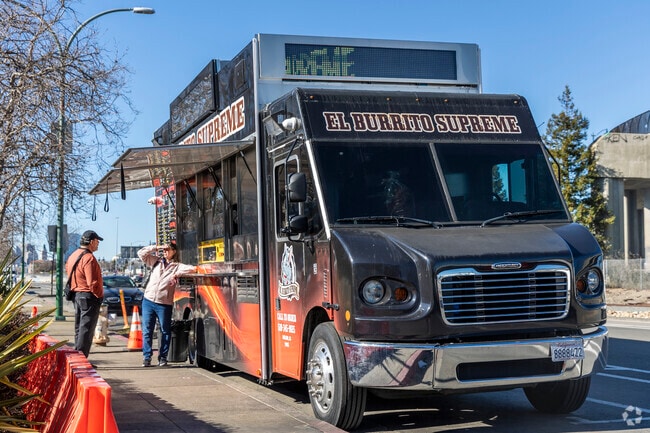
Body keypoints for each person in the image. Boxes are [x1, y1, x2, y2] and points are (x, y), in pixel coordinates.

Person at [138, 242, 197, 367]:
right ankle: (147, 357)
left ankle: (163, 357)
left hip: (164, 304)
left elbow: (193, 268)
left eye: (168, 250)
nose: (165, 252)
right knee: (147, 330)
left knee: (165, 330)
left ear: (174, 251)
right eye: (163, 250)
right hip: (148, 300)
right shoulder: (155, 261)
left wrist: (177, 274)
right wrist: (156, 247)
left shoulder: (177, 266)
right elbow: (141, 253)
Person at [66, 230, 104, 358]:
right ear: (92, 242)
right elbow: (92, 282)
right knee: (86, 330)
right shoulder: (89, 258)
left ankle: (78, 356)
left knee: (79, 328)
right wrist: (99, 295)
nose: (98, 244)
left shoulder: (73, 255)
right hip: (88, 296)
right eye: (97, 241)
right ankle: (81, 359)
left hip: (76, 294)